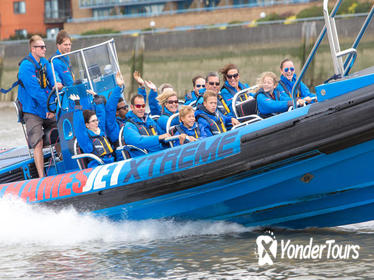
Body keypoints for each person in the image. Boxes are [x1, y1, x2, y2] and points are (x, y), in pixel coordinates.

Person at [17, 35, 62, 177]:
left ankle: (63, 163)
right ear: (33, 49)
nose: (44, 49)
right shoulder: (26, 67)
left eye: (45, 46)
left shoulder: (44, 62)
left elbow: (52, 76)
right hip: (32, 110)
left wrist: (57, 83)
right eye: (41, 47)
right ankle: (42, 177)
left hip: (46, 106)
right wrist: (48, 109)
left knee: (62, 129)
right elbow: (35, 92)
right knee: (38, 142)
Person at [70, 91, 115, 168]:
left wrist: (96, 98)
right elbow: (79, 125)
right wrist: (77, 105)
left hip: (111, 162)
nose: (96, 122)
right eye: (93, 121)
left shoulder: (101, 131)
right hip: (97, 166)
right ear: (87, 125)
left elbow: (101, 114)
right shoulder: (86, 139)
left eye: (96, 120)